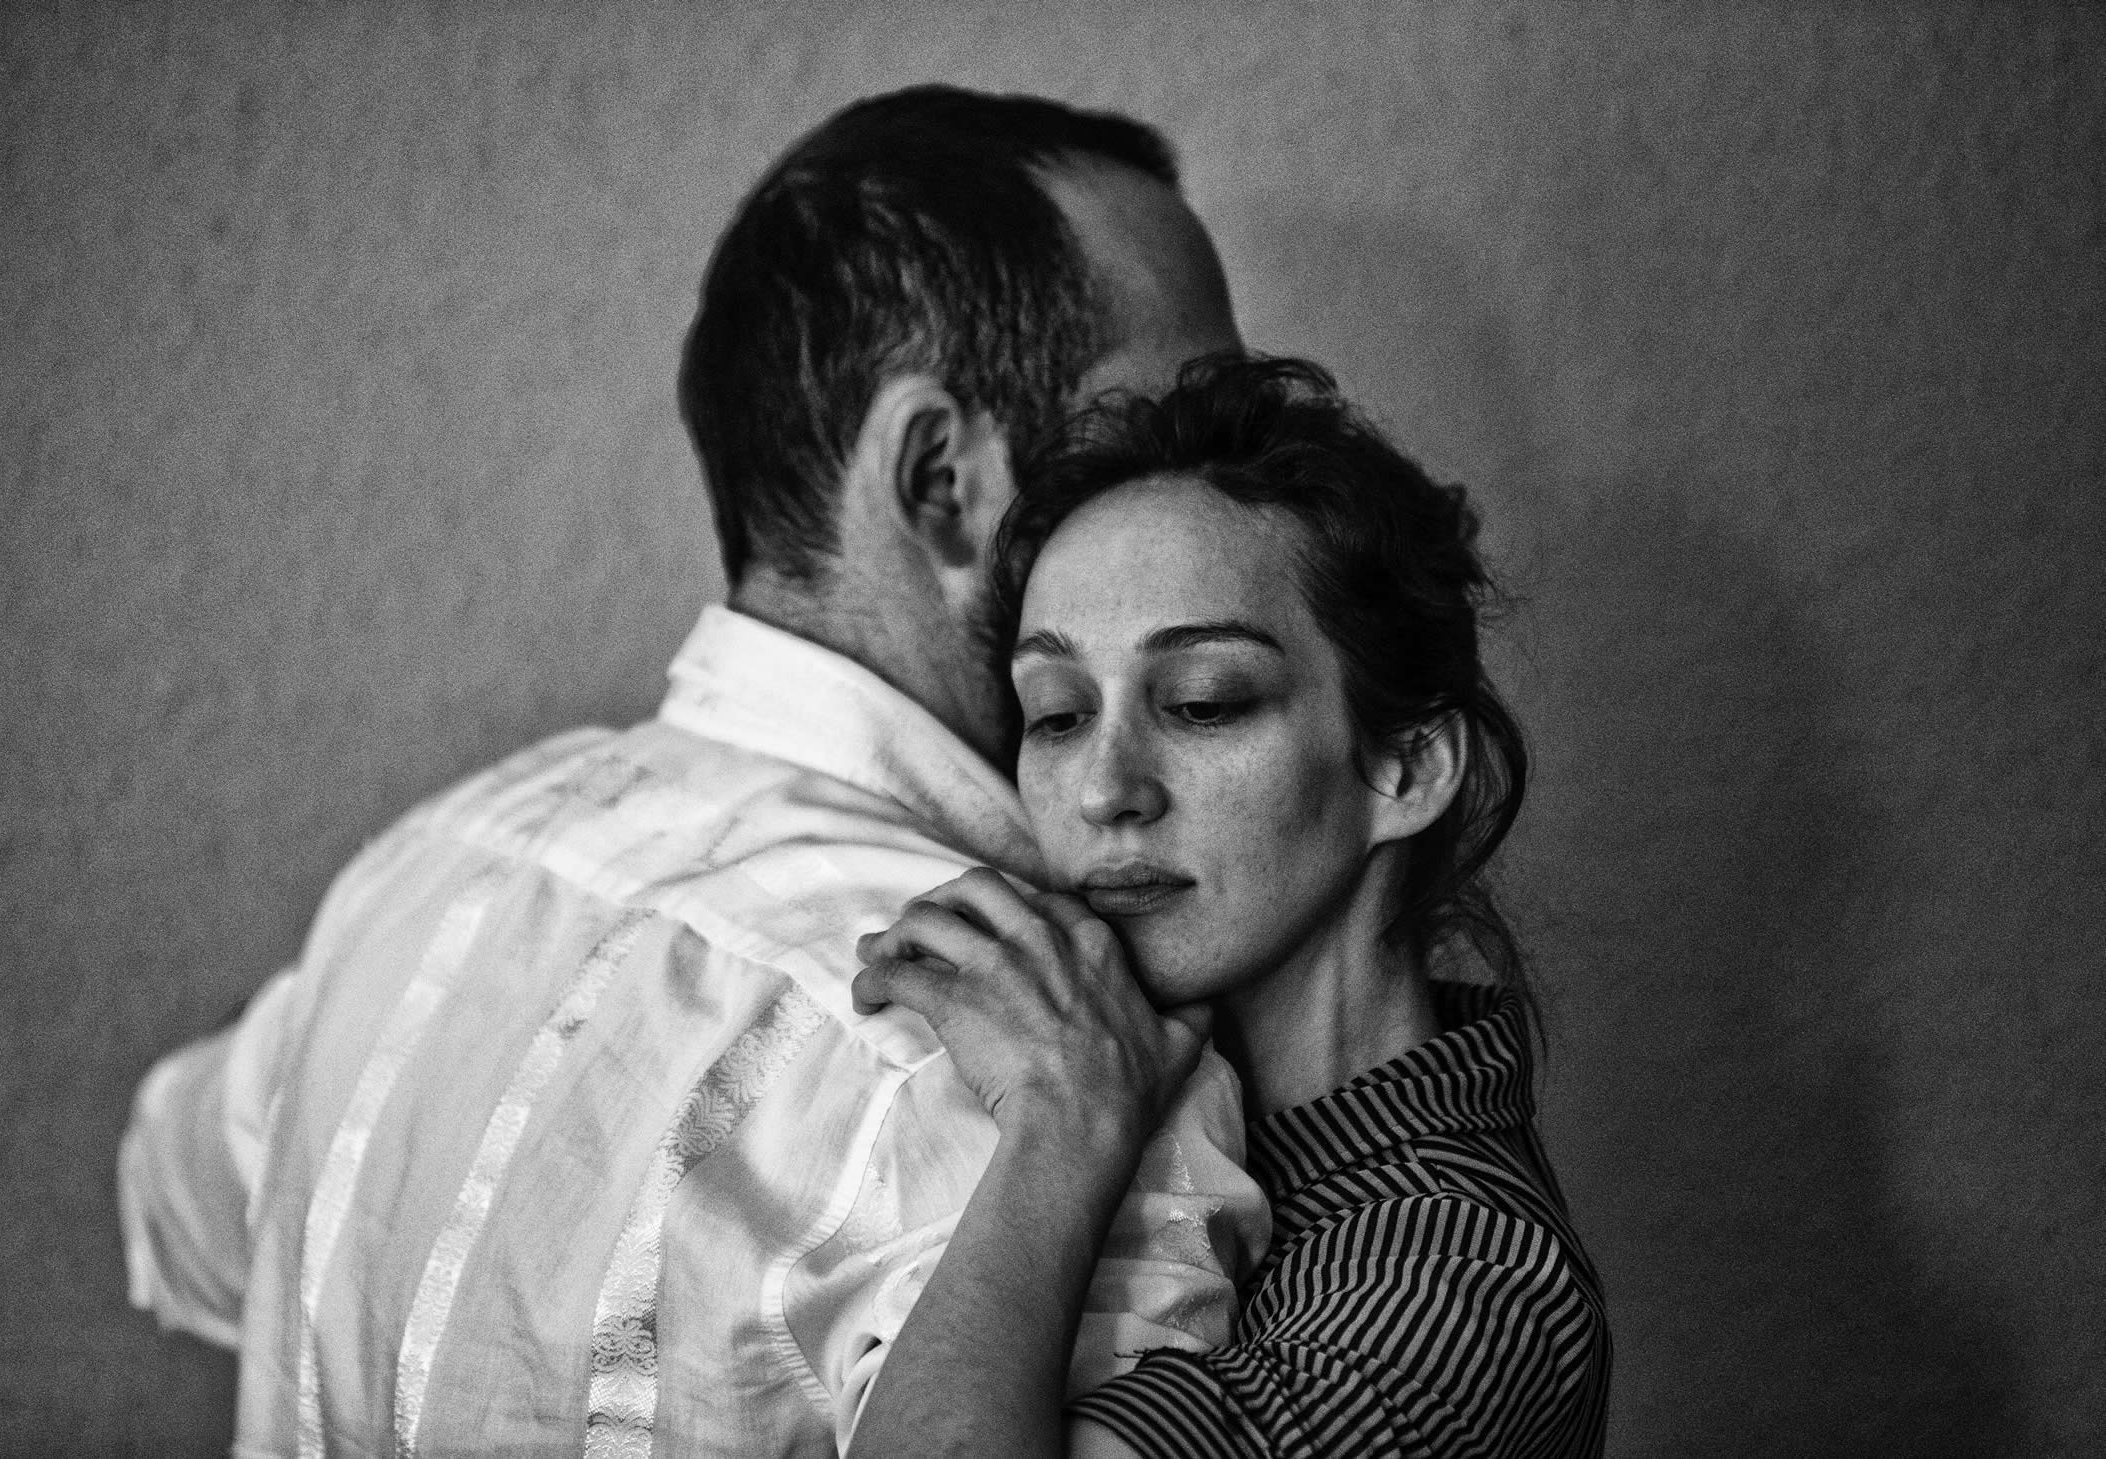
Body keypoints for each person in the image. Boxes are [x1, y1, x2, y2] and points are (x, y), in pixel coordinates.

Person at [116, 86, 1270, 1457]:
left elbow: (173, 1194)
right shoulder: (1043, 1092)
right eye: (1161, 435)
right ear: (941, 479)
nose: (1232, 490)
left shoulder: (426, 869)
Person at [846, 356, 1610, 1457]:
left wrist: (1060, 1124)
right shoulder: (1165, 1098)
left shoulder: (1463, 1289)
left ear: (1403, 768)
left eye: (1202, 702)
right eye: (1056, 714)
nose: (1104, 789)